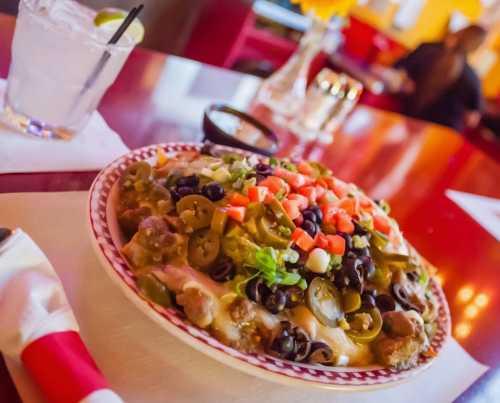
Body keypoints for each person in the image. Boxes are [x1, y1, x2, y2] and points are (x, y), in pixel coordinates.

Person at [393, 25, 487, 132]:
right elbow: (472, 119)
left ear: (459, 32)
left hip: (406, 120)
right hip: (441, 137)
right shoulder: (473, 79)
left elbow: (397, 68)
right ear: (476, 48)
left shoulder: (427, 49)